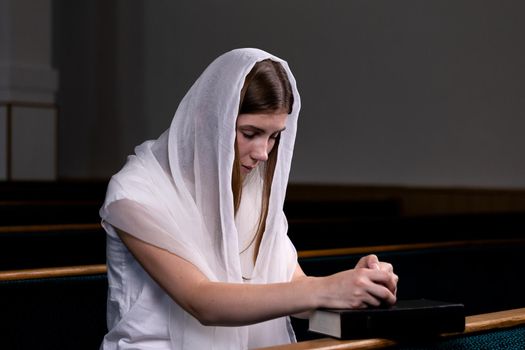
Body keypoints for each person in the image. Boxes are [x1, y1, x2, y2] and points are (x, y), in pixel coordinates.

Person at [99, 48, 398, 349]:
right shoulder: (135, 191)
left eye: (273, 136)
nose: (263, 152)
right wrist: (326, 290)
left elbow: (294, 289)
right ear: (208, 119)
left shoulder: (252, 186)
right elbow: (200, 299)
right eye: (250, 132)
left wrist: (357, 286)